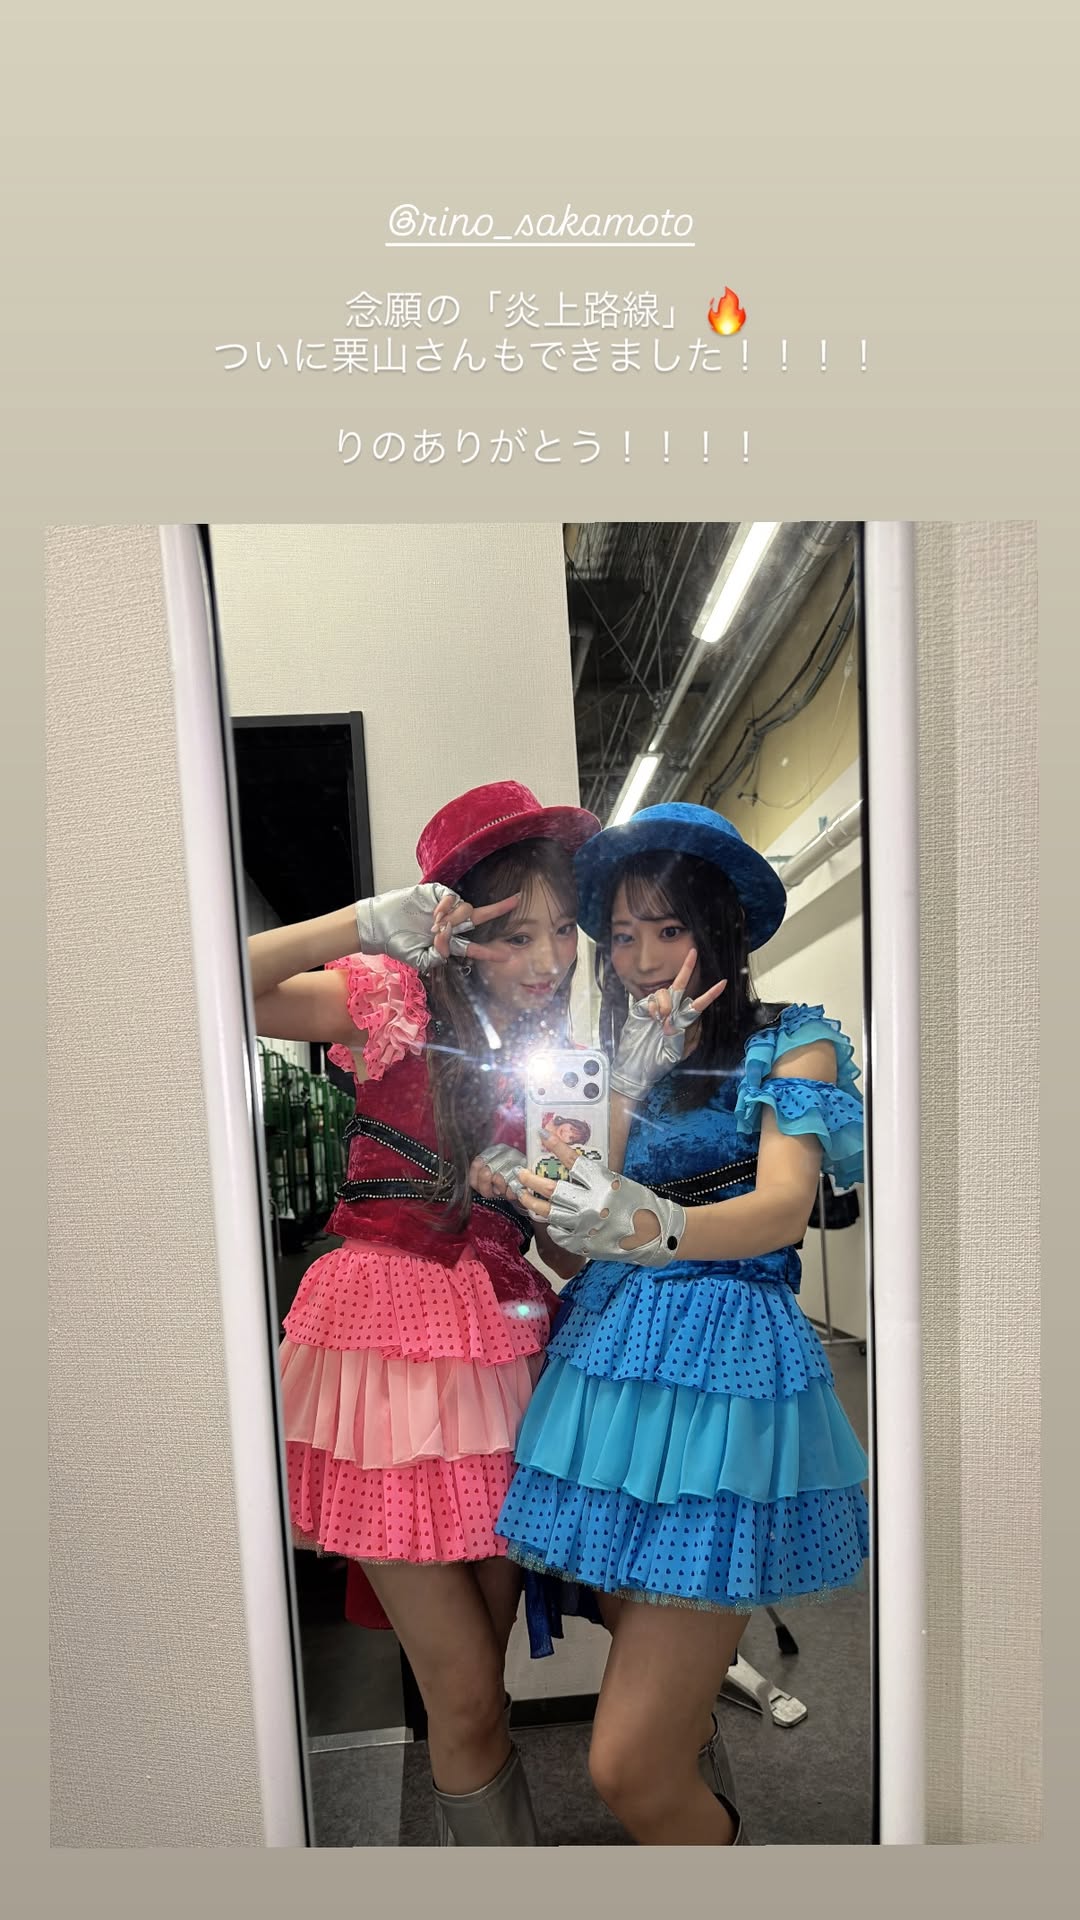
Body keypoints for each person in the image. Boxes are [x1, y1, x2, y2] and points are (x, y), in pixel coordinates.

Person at [475, 803, 869, 1847]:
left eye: (670, 928)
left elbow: (781, 1208)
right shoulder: (620, 1060)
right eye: (624, 934)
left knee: (626, 1764)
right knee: (660, 1707)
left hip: (724, 1368)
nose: (644, 958)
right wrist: (541, 1177)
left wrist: (656, 1224)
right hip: (612, 1372)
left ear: (720, 928)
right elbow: (579, 1225)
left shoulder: (793, 1040)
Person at [248, 780, 599, 1846]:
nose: (549, 960)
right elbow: (219, 986)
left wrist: (556, 1197)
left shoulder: (550, 1066)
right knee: (461, 1691)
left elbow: (564, 1252)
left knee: (482, 1691)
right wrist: (365, 922)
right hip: (388, 1357)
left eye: (563, 931)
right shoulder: (392, 998)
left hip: (499, 1358)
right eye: (517, 933)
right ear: (456, 924)